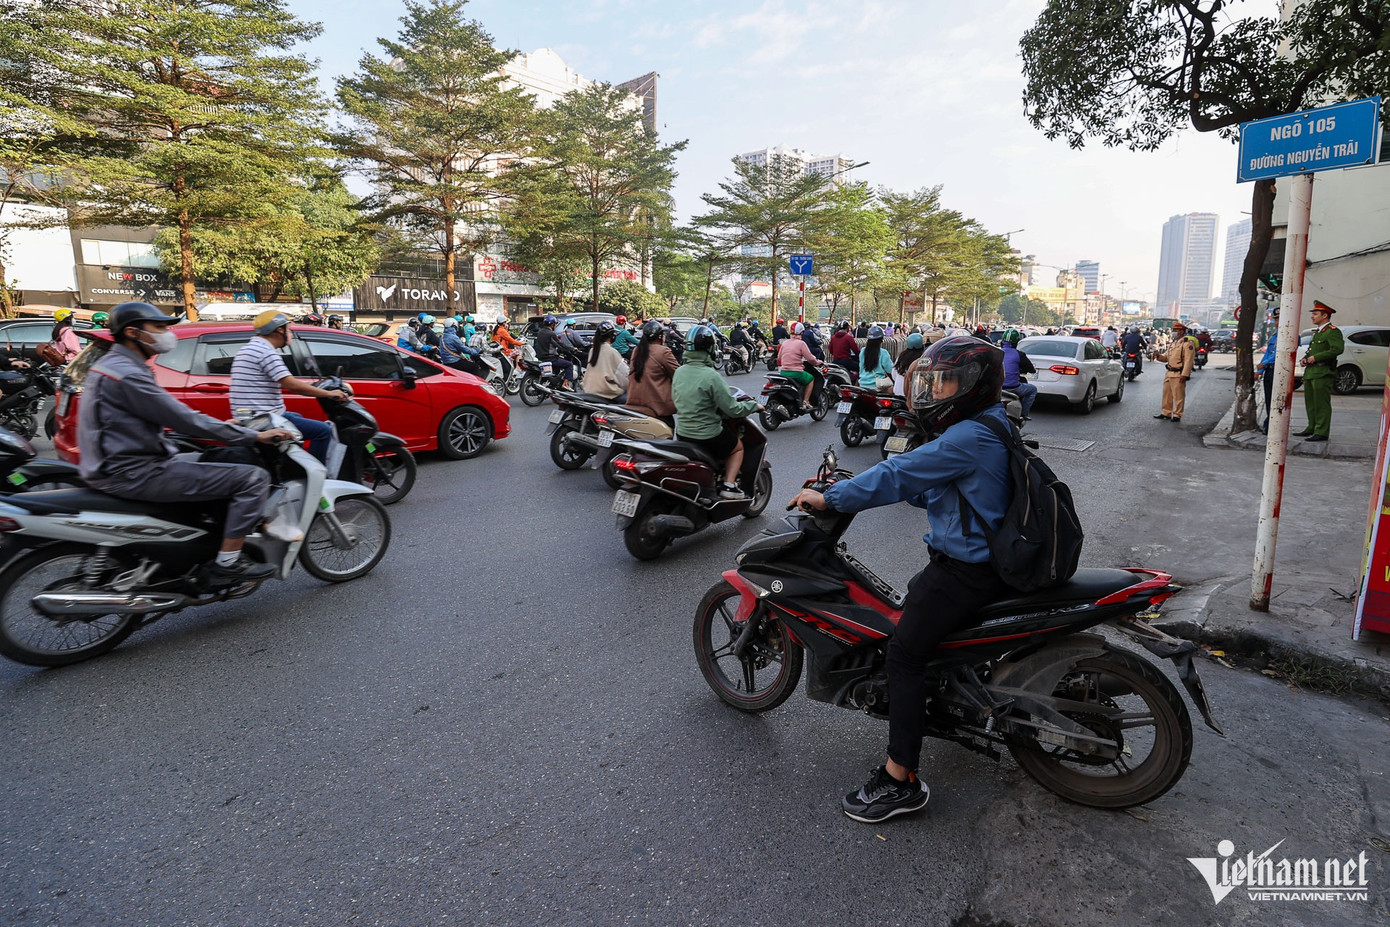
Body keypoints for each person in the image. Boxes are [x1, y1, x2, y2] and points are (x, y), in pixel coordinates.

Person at [787, 335, 1013, 822]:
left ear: (973, 386)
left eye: (948, 382)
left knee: (903, 655)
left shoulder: (968, 436)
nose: (938, 391)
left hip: (966, 570)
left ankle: (899, 779)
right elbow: (932, 484)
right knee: (914, 611)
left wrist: (831, 497)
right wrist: (895, 484)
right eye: (937, 381)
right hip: (984, 560)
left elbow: (897, 475)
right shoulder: (992, 422)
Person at [77, 302, 296, 582]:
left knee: (217, 459)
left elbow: (150, 419)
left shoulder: (112, 366)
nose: (166, 334)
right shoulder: (128, 374)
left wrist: (222, 428)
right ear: (132, 332)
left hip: (117, 463)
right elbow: (184, 418)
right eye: (159, 327)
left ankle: (203, 545)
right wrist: (254, 435)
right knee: (253, 479)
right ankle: (227, 563)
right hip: (135, 472)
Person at [230, 310, 351, 464]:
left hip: (253, 416)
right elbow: (291, 385)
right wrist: (328, 394)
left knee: (296, 416)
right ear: (279, 330)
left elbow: (280, 380)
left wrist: (312, 385)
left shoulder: (249, 348)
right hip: (265, 419)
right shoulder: (266, 352)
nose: (290, 333)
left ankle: (293, 464)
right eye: (288, 329)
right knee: (323, 431)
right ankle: (316, 474)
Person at [672, 325, 761, 499]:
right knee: (737, 447)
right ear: (710, 348)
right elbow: (733, 409)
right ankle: (729, 485)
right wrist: (754, 406)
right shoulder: (711, 376)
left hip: (682, 433)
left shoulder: (679, 372)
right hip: (707, 434)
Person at [1297, 301, 1343, 443]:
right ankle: (1312, 427)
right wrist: (1305, 359)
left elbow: (1337, 349)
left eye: (1315, 314)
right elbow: (1312, 350)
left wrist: (1316, 358)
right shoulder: (1318, 332)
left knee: (1321, 404)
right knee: (1311, 403)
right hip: (1312, 372)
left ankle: (1321, 431)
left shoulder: (1332, 331)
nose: (1312, 316)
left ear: (1324, 316)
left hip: (1323, 372)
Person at [626, 320, 679, 425]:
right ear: (660, 336)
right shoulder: (663, 352)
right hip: (656, 406)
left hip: (634, 401)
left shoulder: (637, 350)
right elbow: (678, 375)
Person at [1154, 320, 1196, 422]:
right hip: (1169, 372)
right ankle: (1166, 412)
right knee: (1166, 395)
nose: (1174, 332)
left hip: (1178, 373)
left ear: (1181, 331)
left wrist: (1185, 374)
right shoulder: (1173, 343)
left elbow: (1188, 361)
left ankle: (1177, 414)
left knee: (1178, 396)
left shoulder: (1187, 344)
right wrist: (1158, 356)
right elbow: (1166, 358)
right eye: (1174, 330)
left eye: (1176, 330)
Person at [779, 322, 823, 410]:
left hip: (783, 372)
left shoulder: (785, 343)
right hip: (796, 373)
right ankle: (806, 401)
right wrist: (818, 362)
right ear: (801, 332)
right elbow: (810, 358)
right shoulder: (801, 344)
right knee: (810, 379)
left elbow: (779, 358)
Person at [581, 320, 629, 401]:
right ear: (612, 336)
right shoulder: (612, 352)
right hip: (606, 393)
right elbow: (624, 376)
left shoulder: (593, 350)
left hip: (589, 390)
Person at [999, 329, 1037, 420]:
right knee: (1033, 390)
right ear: (1016, 342)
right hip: (1014, 387)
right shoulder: (1019, 354)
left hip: (998, 387)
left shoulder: (996, 352)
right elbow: (1031, 369)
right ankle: (1023, 414)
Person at [533, 314, 575, 387]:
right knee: (569, 364)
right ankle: (565, 384)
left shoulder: (540, 332)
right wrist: (572, 348)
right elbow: (560, 344)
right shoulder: (551, 333)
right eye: (555, 324)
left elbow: (554, 343)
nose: (555, 326)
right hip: (550, 358)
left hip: (540, 357)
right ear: (552, 325)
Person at [1257, 311, 1279, 433]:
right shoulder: (1275, 336)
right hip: (1269, 371)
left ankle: (1272, 425)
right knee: (1269, 399)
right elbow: (1268, 353)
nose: (1277, 322)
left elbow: (1279, 354)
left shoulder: (1290, 335)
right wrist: (1260, 370)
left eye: (1279, 319)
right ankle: (1269, 423)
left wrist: (1264, 363)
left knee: (1277, 400)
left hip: (1279, 370)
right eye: (1276, 319)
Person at [857, 325, 895, 393]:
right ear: (881, 340)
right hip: (878, 387)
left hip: (862, 385)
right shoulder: (883, 353)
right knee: (893, 390)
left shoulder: (862, 351)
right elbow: (890, 370)